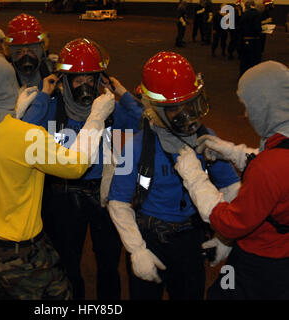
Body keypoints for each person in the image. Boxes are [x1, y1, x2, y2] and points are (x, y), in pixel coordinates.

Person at [0, 51, 116, 300]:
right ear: (9, 87)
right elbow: (77, 165)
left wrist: (15, 111)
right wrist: (96, 118)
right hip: (22, 252)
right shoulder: (26, 138)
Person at [106, 51, 240, 300]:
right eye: (174, 108)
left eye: (189, 104)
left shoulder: (207, 138)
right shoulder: (134, 146)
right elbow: (118, 202)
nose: (186, 115)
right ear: (154, 109)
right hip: (149, 240)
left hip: (191, 242)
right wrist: (137, 251)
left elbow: (233, 185)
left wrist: (225, 236)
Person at [21, 38, 143, 300]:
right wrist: (43, 95)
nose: (85, 85)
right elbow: (25, 134)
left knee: (109, 263)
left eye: (91, 78)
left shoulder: (111, 110)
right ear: (65, 80)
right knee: (67, 263)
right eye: (78, 79)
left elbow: (144, 124)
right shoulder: (54, 109)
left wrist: (122, 94)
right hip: (65, 196)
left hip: (104, 196)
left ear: (101, 79)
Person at [175, 61, 289, 299]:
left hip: (261, 264)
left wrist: (195, 178)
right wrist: (235, 152)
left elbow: (228, 222)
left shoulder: (268, 168)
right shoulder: (278, 150)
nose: (246, 114)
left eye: (249, 106)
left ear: (265, 105)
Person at [5, 13, 55, 88]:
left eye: (31, 51)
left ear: (40, 51)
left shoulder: (51, 70)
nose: (26, 57)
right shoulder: (4, 77)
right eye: (20, 52)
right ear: (12, 53)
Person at [238, 0, 262, 77]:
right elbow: (257, 28)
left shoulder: (244, 14)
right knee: (254, 60)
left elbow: (240, 27)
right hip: (254, 41)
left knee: (244, 61)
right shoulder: (257, 14)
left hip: (244, 40)